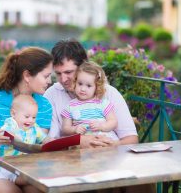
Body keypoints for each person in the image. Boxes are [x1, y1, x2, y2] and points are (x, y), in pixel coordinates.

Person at [44, 39, 155, 193]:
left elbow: (131, 138)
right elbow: (50, 141)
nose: (63, 79)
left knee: (143, 180)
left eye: (68, 72)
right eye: (58, 73)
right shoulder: (51, 95)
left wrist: (111, 145)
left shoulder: (109, 93)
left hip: (111, 158)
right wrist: (79, 141)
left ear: (84, 67)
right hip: (71, 164)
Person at [0, 47, 53, 193]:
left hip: (23, 169)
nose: (50, 81)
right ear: (27, 75)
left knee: (39, 190)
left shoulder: (44, 106)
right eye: (46, 76)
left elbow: (36, 147)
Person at [0, 94, 51, 183]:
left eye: (34, 117)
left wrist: (53, 142)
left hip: (25, 164)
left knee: (40, 170)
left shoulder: (34, 127)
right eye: (27, 116)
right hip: (8, 164)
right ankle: (18, 180)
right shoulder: (11, 124)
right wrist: (9, 135)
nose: (30, 120)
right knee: (24, 179)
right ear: (13, 113)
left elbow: (44, 138)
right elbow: (2, 132)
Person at [61, 61, 118, 141]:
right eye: (80, 84)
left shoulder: (102, 103)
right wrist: (74, 129)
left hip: (104, 139)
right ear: (75, 82)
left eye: (89, 86)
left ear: (97, 87)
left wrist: (102, 126)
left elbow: (113, 121)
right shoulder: (70, 106)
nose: (83, 89)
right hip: (84, 143)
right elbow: (65, 128)